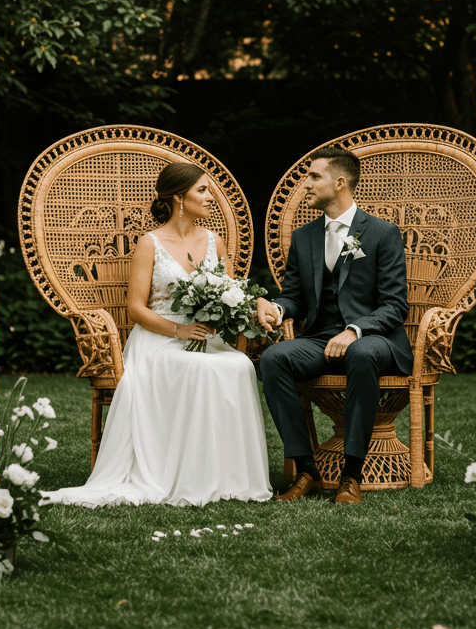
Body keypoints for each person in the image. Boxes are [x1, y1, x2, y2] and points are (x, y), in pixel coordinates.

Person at [45, 163, 272, 507]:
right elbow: (135, 308)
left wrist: (243, 304)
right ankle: (185, 476)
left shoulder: (215, 241)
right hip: (158, 339)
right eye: (202, 191)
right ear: (179, 197)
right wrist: (179, 329)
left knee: (239, 365)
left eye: (209, 190)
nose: (211, 198)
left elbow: (231, 290)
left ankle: (229, 478)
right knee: (202, 369)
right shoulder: (150, 243)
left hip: (204, 336)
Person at [256, 146, 411, 505]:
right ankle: (307, 470)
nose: (305, 184)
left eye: (314, 176)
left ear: (339, 183)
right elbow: (294, 294)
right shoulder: (304, 237)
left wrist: (355, 330)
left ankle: (350, 475)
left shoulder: (381, 233)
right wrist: (276, 309)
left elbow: (394, 304)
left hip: (376, 339)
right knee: (274, 358)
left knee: (361, 354)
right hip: (320, 337)